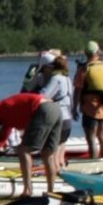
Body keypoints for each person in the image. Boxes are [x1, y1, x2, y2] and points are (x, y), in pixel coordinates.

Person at [0, 92, 62, 198]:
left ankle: (27, 190)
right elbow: (1, 141)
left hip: (42, 109)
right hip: (56, 109)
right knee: (47, 154)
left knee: (23, 150)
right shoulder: (7, 113)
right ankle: (51, 192)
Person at [33, 54, 78, 189]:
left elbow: (42, 96)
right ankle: (62, 180)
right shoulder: (67, 78)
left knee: (49, 155)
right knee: (58, 155)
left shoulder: (56, 79)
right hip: (67, 120)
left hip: (58, 119)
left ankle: (53, 184)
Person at [76, 41, 103, 160]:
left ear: (86, 53)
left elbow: (78, 91)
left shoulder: (83, 69)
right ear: (98, 52)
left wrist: (74, 108)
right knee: (102, 137)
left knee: (91, 138)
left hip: (89, 108)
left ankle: (94, 162)